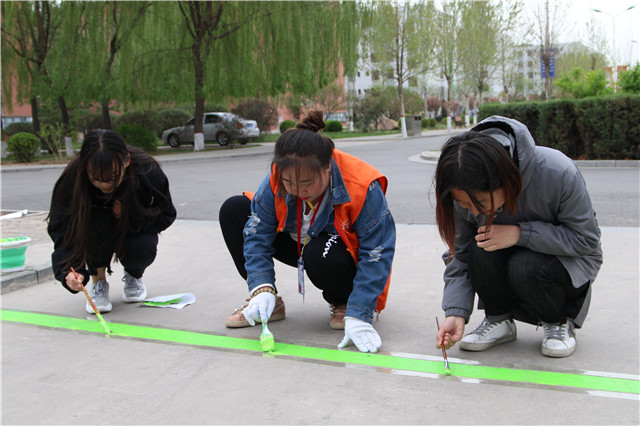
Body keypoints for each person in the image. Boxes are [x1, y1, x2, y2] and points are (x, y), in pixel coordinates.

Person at [219, 111, 395, 353]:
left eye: (307, 183)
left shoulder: (363, 185)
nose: (296, 190)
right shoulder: (277, 178)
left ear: (328, 167)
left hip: (333, 251)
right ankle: (267, 303)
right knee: (234, 210)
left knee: (319, 254)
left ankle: (343, 301)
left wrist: (361, 311)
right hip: (296, 243)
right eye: (289, 182)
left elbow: (377, 252)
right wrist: (261, 286)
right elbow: (257, 233)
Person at [434, 116, 602, 358]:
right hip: (510, 256)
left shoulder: (558, 172)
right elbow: (460, 255)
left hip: (566, 260)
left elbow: (585, 240)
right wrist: (455, 311)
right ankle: (498, 319)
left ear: (507, 178)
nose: (472, 211)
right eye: (462, 203)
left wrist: (520, 234)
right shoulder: (460, 183)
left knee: (524, 265)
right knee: (479, 248)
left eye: (480, 202)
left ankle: (557, 322)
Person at [47, 129, 176, 314]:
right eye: (96, 179)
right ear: (85, 168)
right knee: (96, 223)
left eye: (113, 177)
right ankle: (98, 281)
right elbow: (61, 228)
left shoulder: (147, 170)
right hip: (95, 235)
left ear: (127, 161)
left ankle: (134, 275)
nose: (106, 185)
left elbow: (167, 214)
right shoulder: (72, 178)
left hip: (134, 230)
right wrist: (68, 270)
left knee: (143, 247)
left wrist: (130, 216)